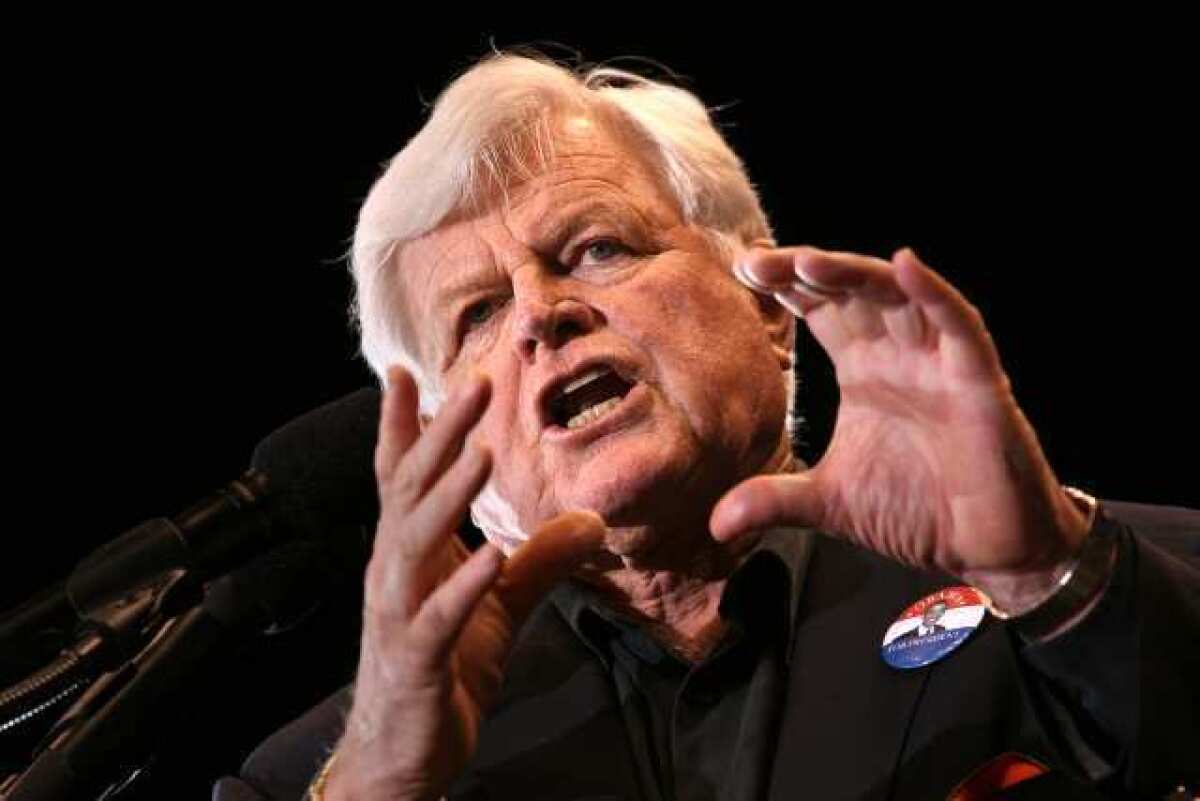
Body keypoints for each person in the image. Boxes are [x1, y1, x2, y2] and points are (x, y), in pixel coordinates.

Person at [214, 52, 1199, 801]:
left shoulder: (1106, 577)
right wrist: (382, 769)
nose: (539, 316)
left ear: (770, 309)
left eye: (598, 248)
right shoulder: (327, 773)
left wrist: (1049, 580)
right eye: (474, 315)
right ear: (442, 442)